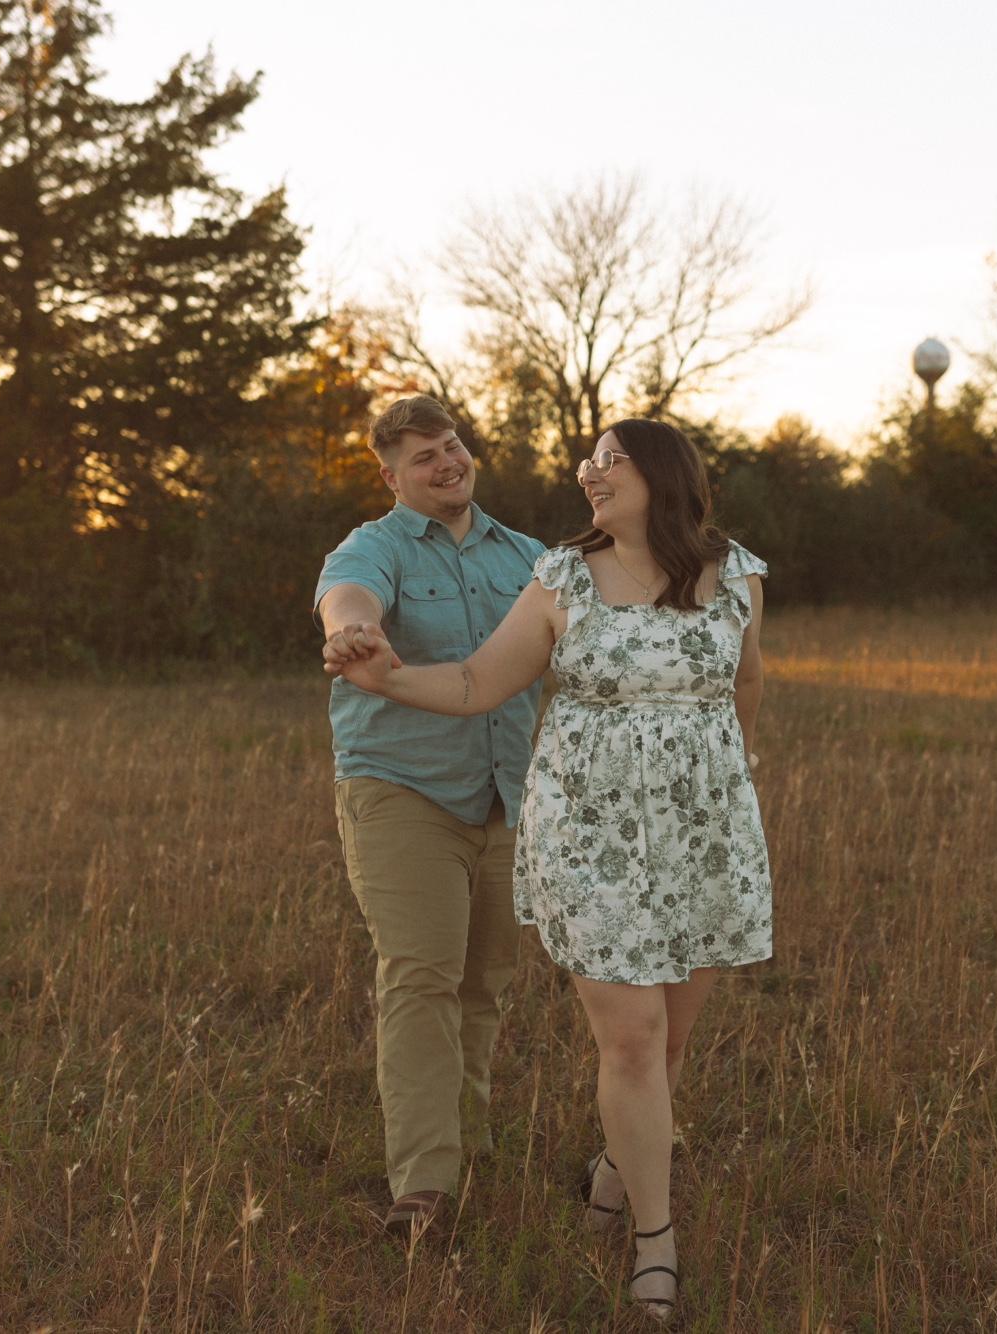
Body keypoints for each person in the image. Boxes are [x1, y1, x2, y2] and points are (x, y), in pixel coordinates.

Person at [328, 418, 772, 1321]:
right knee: (631, 1040)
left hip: (704, 836)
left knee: (670, 1042)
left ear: (661, 472)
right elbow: (473, 682)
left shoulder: (737, 576)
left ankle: (616, 1164)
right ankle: (653, 1240)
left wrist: (729, 780)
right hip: (590, 837)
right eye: (589, 461)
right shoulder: (562, 575)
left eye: (608, 460)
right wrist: (381, 674)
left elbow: (747, 682)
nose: (588, 473)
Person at [314, 395, 545, 1236]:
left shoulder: (528, 556)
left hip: (507, 793)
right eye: (423, 457)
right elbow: (348, 598)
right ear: (392, 478)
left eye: (450, 446)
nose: (446, 463)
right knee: (421, 977)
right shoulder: (371, 548)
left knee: (484, 983)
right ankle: (423, 1186)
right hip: (402, 789)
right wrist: (355, 634)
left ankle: (467, 1145)